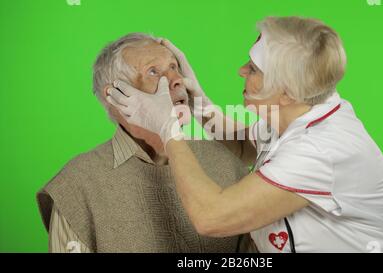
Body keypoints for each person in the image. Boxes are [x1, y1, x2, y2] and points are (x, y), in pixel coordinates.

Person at [107, 17, 383, 252]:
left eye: (254, 69)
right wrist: (198, 101)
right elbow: (246, 145)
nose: (241, 70)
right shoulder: (305, 105)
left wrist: (168, 129)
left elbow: (212, 217)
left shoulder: (319, 149)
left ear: (286, 93)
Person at [36, 33, 252, 253]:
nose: (178, 80)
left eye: (174, 67)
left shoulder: (229, 164)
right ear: (115, 97)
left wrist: (203, 108)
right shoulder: (76, 185)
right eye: (153, 72)